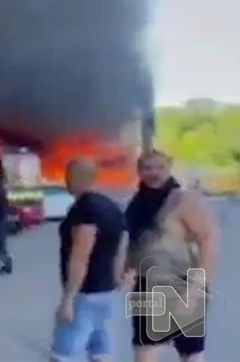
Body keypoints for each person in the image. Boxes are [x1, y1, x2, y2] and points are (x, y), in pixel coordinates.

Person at [124, 150, 218, 362]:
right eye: (148, 168)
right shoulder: (137, 203)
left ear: (169, 167)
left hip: (182, 283)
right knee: (144, 347)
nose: (153, 173)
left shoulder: (183, 200)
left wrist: (197, 286)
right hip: (147, 284)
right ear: (139, 170)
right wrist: (127, 268)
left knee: (190, 353)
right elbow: (136, 240)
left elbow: (208, 240)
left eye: (159, 167)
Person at [50, 158, 127, 362]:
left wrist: (68, 299)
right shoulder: (112, 206)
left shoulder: (85, 209)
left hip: (84, 292)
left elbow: (80, 256)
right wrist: (118, 276)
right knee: (100, 350)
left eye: (69, 176)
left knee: (64, 353)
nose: (67, 181)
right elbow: (121, 245)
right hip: (107, 290)